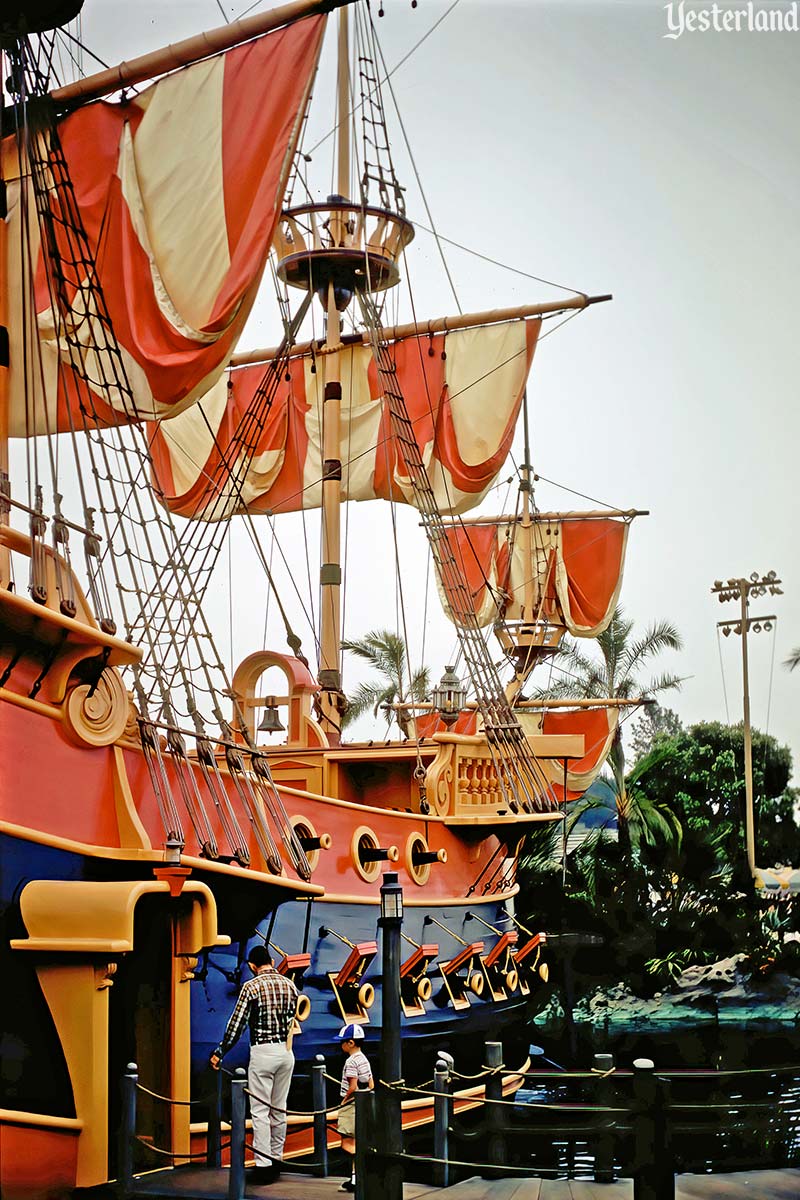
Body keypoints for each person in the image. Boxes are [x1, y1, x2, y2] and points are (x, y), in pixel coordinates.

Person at [210, 944, 298, 1185]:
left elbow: (236, 1025)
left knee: (260, 1111)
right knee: (279, 1110)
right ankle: (277, 1160)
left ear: (251, 965)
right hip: (286, 1052)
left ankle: (264, 1166)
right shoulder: (290, 985)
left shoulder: (251, 987)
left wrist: (221, 1051)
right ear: (271, 960)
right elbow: (292, 1020)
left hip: (262, 1051)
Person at [336, 1023, 373, 1193]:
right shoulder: (364, 1059)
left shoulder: (350, 1062)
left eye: (342, 1042)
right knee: (357, 1140)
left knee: (348, 1143)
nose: (341, 1045)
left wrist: (344, 1102)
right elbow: (370, 1084)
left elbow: (353, 1086)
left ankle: (362, 1170)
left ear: (350, 1043)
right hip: (362, 1104)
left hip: (350, 1106)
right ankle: (355, 1177)